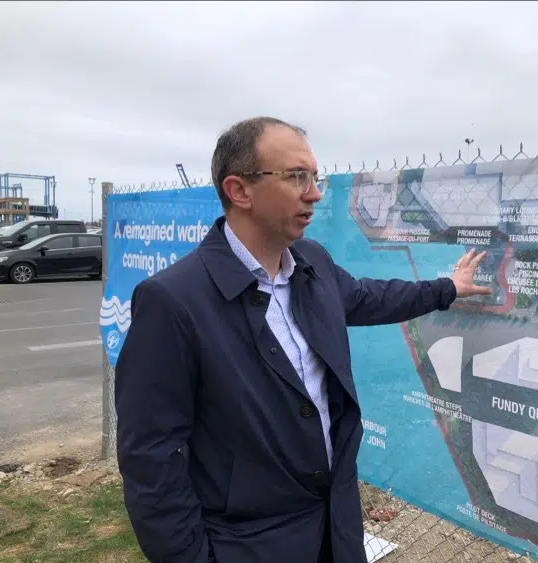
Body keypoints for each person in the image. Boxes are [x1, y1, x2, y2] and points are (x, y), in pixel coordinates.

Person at [114, 116, 491, 563]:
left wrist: (447, 288)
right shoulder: (172, 302)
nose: (313, 192)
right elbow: (151, 459)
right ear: (240, 191)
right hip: (247, 546)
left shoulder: (310, 263)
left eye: (315, 177)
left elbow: (370, 298)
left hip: (335, 529)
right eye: (296, 177)